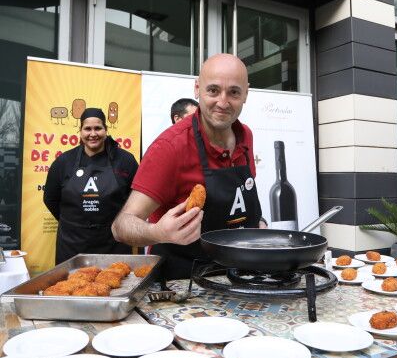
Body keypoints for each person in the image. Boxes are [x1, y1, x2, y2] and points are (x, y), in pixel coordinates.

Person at [112, 54, 266, 280]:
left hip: (240, 276)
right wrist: (157, 232)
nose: (223, 103)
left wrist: (258, 224)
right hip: (183, 285)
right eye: (213, 90)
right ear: (197, 89)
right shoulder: (170, 147)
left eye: (233, 92)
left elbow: (241, 199)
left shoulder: (246, 136)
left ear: (246, 94)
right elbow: (121, 226)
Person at [44, 108, 138, 264]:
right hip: (72, 244)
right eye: (87, 128)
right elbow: (50, 198)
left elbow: (136, 197)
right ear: (80, 131)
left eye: (98, 128)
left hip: (113, 243)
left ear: (106, 130)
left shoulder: (125, 160)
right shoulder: (63, 162)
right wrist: (72, 223)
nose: (93, 134)